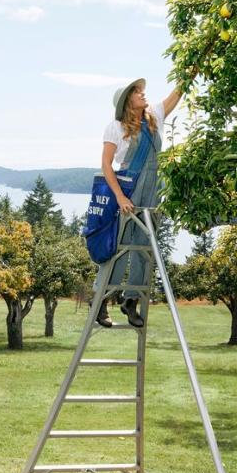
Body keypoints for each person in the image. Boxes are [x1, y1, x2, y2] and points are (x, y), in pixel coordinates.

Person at [96, 78, 184, 328]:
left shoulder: (154, 115)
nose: (143, 95)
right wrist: (120, 197)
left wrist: (191, 70)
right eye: (137, 93)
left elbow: (176, 95)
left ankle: (131, 300)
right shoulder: (114, 127)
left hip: (153, 189)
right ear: (127, 102)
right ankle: (102, 299)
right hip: (128, 188)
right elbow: (106, 164)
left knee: (145, 247)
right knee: (120, 246)